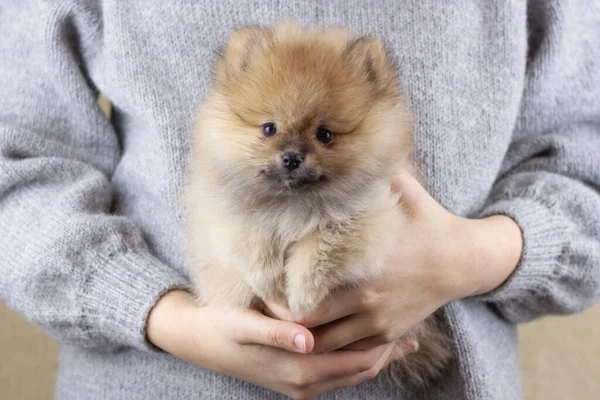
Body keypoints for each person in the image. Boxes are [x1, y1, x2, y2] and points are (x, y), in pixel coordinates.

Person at [1, 1, 599, 399]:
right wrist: (163, 317)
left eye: (322, 134)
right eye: (269, 132)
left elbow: (584, 162)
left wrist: (475, 256)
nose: (291, 153)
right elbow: (15, 165)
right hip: (154, 381)